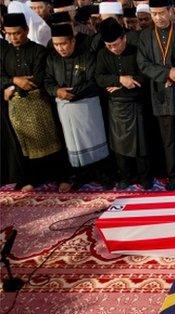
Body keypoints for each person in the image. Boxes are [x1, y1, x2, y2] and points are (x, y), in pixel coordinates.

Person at [1, 13, 70, 192]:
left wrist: (11, 87)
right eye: (8, 33)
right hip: (17, 107)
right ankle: (31, 178)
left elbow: (38, 79)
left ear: (26, 30)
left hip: (38, 103)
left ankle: (61, 177)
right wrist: (15, 81)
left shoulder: (39, 51)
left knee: (50, 140)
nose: (13, 37)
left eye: (16, 33)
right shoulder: (4, 52)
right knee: (24, 144)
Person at [137, 0, 175, 190]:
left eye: (162, 13)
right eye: (154, 14)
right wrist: (166, 74)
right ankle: (173, 176)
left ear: (170, 12)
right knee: (168, 139)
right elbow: (142, 63)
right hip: (160, 93)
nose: (158, 17)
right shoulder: (145, 35)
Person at [45, 23, 111, 187]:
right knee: (74, 142)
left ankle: (102, 174)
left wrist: (71, 93)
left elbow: (93, 80)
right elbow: (47, 80)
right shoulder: (52, 58)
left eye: (64, 44)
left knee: (93, 140)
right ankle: (82, 174)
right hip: (65, 108)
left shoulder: (87, 55)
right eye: (56, 44)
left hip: (87, 105)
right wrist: (57, 91)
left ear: (72, 41)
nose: (60, 48)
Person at [96, 18, 152, 189]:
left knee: (141, 145)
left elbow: (143, 78)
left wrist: (119, 85)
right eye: (109, 46)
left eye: (115, 44)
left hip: (136, 104)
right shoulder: (102, 54)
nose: (112, 49)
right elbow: (99, 78)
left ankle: (145, 178)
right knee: (119, 145)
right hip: (115, 106)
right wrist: (120, 79)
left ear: (124, 38)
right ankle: (126, 177)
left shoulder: (137, 52)